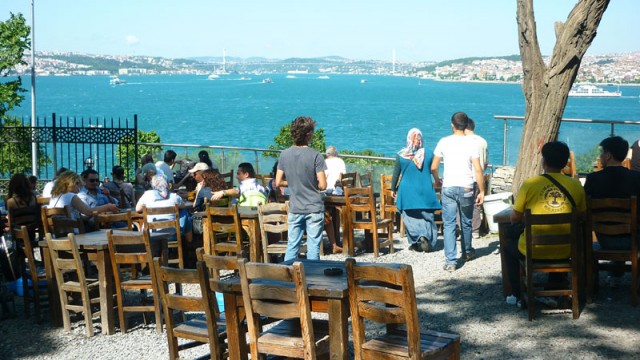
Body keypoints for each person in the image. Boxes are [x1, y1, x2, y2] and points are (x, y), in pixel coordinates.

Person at [504, 141, 586, 306]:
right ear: (565, 163)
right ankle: (555, 291)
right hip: (565, 250)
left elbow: (515, 218)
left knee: (508, 248)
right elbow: (582, 215)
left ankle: (517, 294)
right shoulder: (575, 185)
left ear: (544, 161)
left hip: (533, 250)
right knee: (557, 240)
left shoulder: (530, 184)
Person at [431, 112, 485, 272]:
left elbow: (434, 167)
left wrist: (437, 180)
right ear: (466, 124)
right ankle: (467, 251)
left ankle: (450, 261)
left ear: (452, 125)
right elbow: (478, 170)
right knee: (466, 221)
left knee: (449, 224)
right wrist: (481, 190)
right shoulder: (471, 144)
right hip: (467, 186)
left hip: (448, 186)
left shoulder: (444, 142)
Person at [584, 136, 640, 287]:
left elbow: (584, 207)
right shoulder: (636, 178)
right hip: (633, 240)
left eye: (602, 153)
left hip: (604, 239)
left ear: (608, 155)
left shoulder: (593, 179)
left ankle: (592, 284)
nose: (600, 156)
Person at [275, 116, 327, 261]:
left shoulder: (284, 154)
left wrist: (292, 183)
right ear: (308, 134)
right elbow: (322, 185)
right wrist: (309, 183)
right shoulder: (316, 155)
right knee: (313, 248)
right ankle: (313, 279)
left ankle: (287, 277)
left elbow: (278, 181)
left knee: (292, 246)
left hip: (295, 206)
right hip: (313, 207)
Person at [391, 128, 441, 253]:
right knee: (427, 217)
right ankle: (426, 237)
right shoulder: (429, 153)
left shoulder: (401, 155)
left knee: (409, 218)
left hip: (407, 192)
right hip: (425, 190)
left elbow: (396, 174)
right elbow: (434, 168)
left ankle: (416, 239)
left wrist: (393, 189)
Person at [48, 171, 119, 229]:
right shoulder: (70, 196)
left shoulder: (55, 196)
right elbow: (88, 211)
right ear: (74, 184)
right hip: (73, 234)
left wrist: (91, 215)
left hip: (59, 233)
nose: (80, 189)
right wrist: (108, 207)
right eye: (79, 185)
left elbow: (76, 216)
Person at [136, 174, 192, 242]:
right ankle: (189, 241)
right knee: (184, 211)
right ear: (167, 184)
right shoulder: (174, 196)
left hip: (151, 235)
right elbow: (183, 206)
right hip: (171, 235)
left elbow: (137, 209)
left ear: (152, 184)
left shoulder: (147, 195)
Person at [464, 118, 489, 239]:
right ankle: (475, 230)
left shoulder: (463, 141)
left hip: (466, 177)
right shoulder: (483, 142)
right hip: (479, 177)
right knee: (476, 204)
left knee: (462, 205)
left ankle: (462, 230)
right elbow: (486, 162)